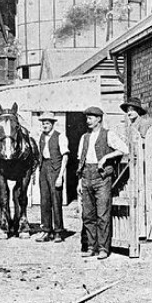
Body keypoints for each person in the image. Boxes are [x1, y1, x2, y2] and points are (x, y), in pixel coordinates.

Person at [76, 106, 128, 259]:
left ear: (99, 119)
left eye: (90, 118)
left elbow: (124, 149)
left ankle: (103, 248)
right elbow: (81, 161)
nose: (88, 121)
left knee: (102, 214)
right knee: (88, 215)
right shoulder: (84, 137)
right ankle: (91, 246)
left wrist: (106, 158)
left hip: (102, 178)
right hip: (86, 177)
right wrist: (80, 182)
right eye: (87, 118)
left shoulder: (108, 135)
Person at [35, 112, 69, 243]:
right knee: (44, 201)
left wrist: (60, 176)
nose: (45, 125)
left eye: (47, 123)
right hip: (44, 167)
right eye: (43, 123)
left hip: (56, 169)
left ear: (53, 124)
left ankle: (58, 232)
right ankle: (46, 231)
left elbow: (65, 156)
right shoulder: (42, 137)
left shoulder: (60, 137)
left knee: (56, 201)